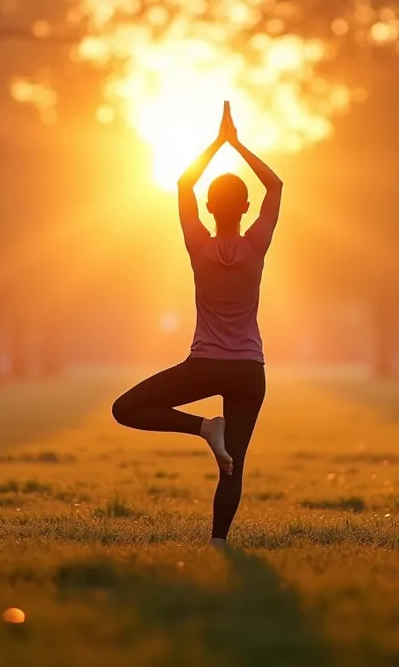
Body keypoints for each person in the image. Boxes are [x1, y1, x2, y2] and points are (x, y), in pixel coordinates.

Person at [111, 100, 283, 546]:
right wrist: (238, 145)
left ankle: (203, 428)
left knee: (124, 409)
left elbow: (184, 181)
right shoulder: (256, 247)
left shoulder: (198, 246)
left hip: (205, 363)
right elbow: (276, 185)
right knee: (235, 464)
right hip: (249, 370)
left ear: (208, 207)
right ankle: (218, 543)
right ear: (246, 208)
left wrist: (215, 144)